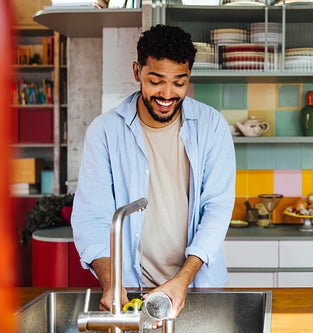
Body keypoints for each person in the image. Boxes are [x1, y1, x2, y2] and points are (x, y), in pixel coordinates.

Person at [71, 24, 236, 319]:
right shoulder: (105, 132)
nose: (167, 93)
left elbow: (218, 209)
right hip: (130, 290)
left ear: (189, 78)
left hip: (197, 286)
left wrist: (183, 280)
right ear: (137, 72)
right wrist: (111, 283)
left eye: (179, 83)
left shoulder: (212, 127)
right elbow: (91, 217)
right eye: (156, 81)